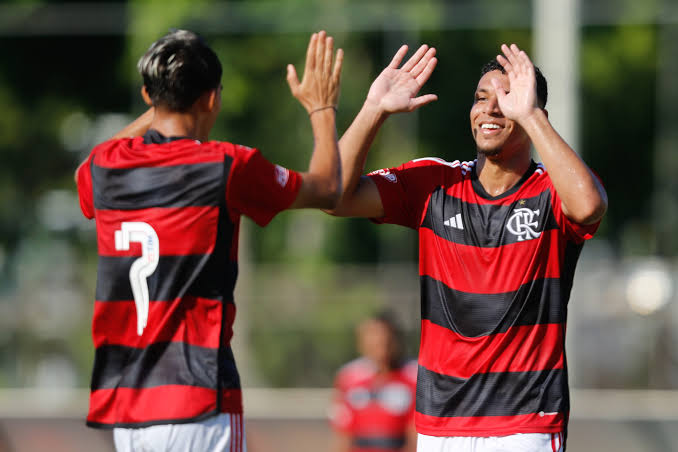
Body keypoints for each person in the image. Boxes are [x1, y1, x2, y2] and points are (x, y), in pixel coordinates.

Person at [326, 43, 608, 452]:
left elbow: (589, 206)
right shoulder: (432, 183)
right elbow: (334, 196)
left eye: (508, 99)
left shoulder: (552, 191)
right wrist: (375, 109)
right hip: (439, 425)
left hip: (524, 424)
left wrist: (529, 115)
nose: (490, 109)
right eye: (480, 98)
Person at [75, 29, 343, 452]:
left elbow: (96, 160)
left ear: (148, 95)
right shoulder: (226, 164)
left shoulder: (104, 166)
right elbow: (328, 188)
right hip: (198, 401)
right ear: (213, 98)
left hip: (127, 412)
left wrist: (166, 94)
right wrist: (321, 107)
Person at [329, 313, 417, 452]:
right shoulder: (349, 377)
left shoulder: (414, 376)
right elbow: (343, 435)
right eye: (373, 340)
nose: (380, 344)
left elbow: (415, 435)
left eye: (385, 339)